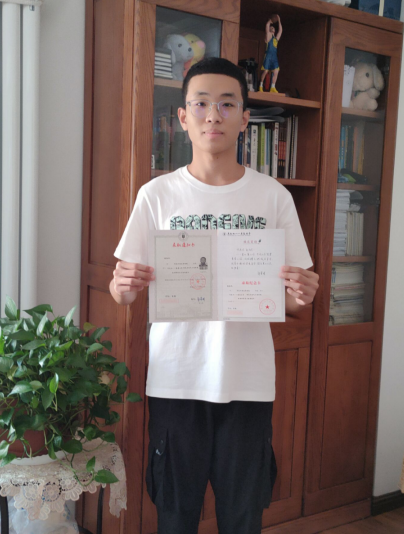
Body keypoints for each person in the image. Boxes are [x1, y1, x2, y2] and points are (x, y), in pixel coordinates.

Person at [109, 57, 319, 534]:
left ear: (245, 118)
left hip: (246, 382)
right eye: (201, 104)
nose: (213, 115)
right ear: (183, 117)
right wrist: (121, 288)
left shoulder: (272, 197)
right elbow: (125, 292)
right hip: (176, 380)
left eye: (227, 104)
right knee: (175, 515)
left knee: (243, 517)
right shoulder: (157, 195)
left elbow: (289, 300)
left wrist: (302, 294)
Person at [259, 15, 282, 93]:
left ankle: (273, 87)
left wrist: (279, 20)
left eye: (273, 28)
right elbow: (267, 26)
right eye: (271, 27)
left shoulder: (276, 39)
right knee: (265, 71)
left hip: (274, 57)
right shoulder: (268, 36)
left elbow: (280, 31)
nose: (272, 28)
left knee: (276, 71)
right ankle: (260, 85)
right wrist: (270, 21)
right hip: (268, 56)